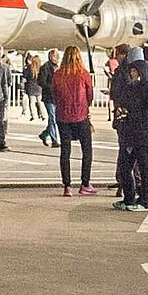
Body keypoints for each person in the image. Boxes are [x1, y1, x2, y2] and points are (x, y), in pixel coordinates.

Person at [110, 47, 148, 211]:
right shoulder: (130, 88)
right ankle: (129, 198)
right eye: (131, 70)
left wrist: (130, 115)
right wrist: (120, 112)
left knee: (145, 168)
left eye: (134, 70)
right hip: (130, 134)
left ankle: (144, 200)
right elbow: (123, 103)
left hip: (147, 135)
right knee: (126, 167)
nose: (132, 73)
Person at [52, 49, 96, 196]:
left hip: (62, 116)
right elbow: (90, 95)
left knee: (65, 151)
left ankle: (67, 185)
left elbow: (54, 94)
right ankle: (85, 184)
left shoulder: (58, 74)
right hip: (80, 115)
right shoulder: (83, 74)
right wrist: (84, 106)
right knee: (87, 150)